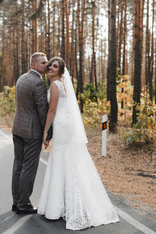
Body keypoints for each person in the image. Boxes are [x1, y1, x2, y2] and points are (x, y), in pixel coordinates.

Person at [37, 57, 119, 230]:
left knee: (61, 161)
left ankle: (62, 206)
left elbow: (51, 111)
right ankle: (65, 204)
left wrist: (45, 131)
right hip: (67, 125)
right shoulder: (62, 83)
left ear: (60, 70)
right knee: (68, 161)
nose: (51, 67)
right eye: (50, 65)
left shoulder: (55, 85)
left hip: (61, 125)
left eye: (55, 66)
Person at [11, 52, 50, 214]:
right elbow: (42, 111)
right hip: (32, 132)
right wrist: (48, 132)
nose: (46, 65)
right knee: (29, 168)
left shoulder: (21, 78)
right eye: (43, 63)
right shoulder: (38, 83)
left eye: (47, 62)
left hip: (18, 128)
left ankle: (16, 202)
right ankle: (23, 204)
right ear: (34, 65)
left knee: (18, 166)